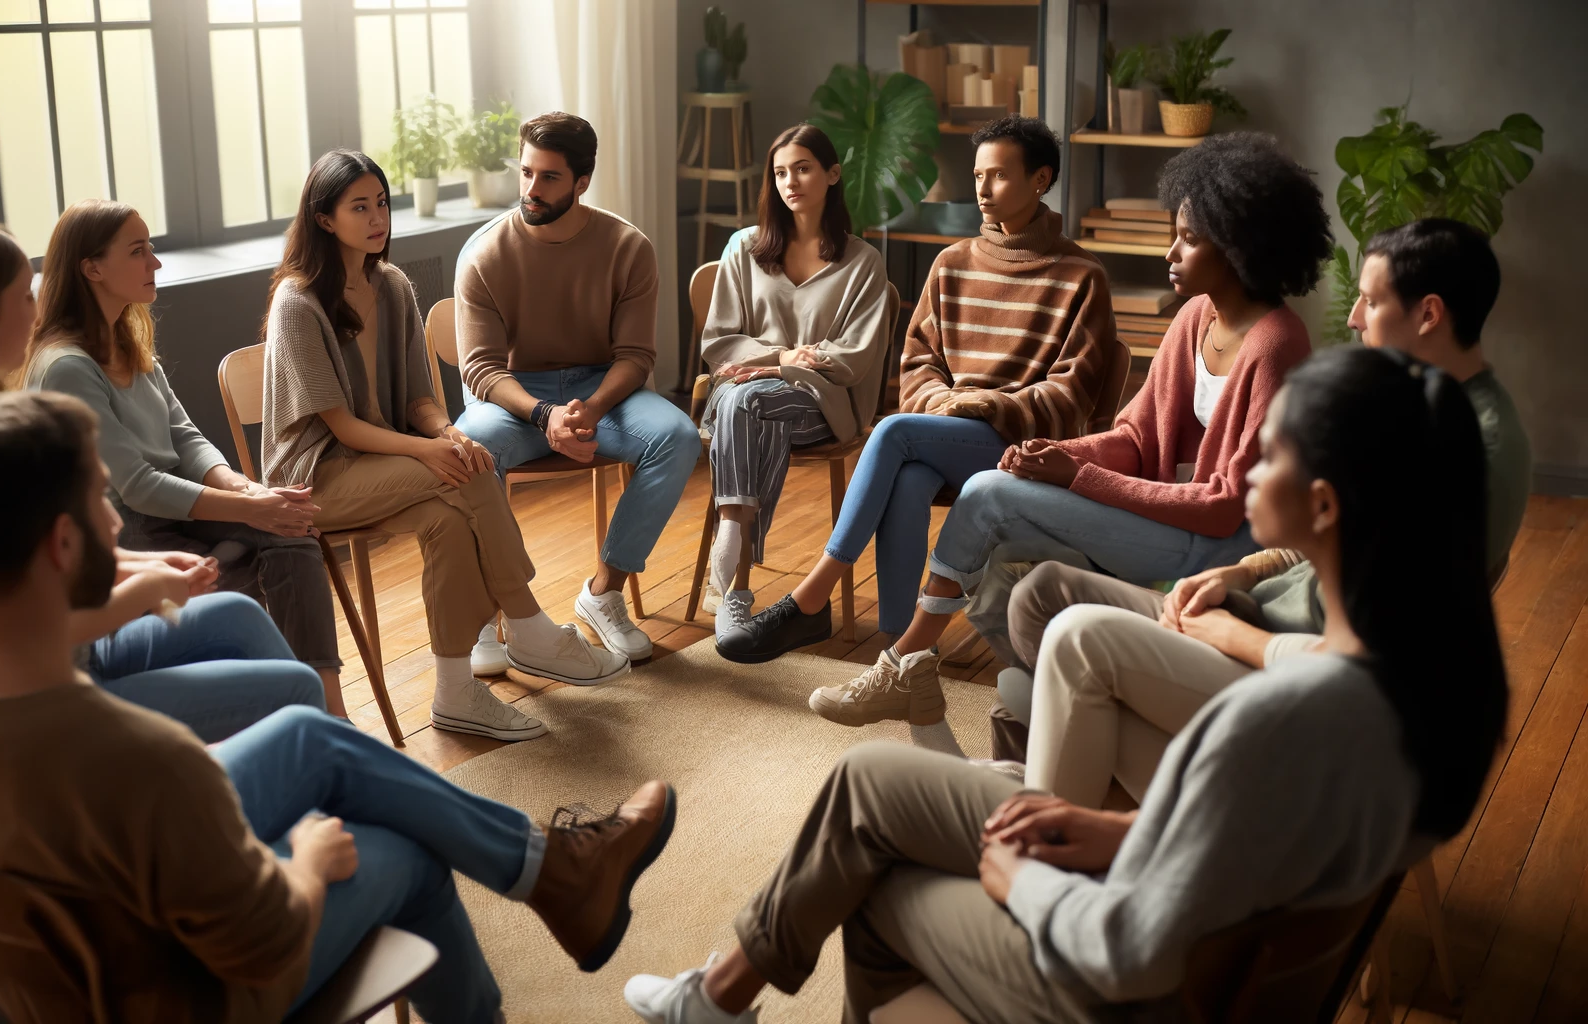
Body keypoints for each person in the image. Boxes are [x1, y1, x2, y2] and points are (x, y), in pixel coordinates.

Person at [622, 344, 1507, 1024]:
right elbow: (1255, 841)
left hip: (1117, 992)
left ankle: (722, 997)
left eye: (1267, 457)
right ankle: (715, 998)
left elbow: (1131, 953)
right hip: (1171, 907)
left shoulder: (1275, 719)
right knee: (868, 782)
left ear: (1324, 506)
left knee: (879, 882)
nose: (1245, 474)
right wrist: (1124, 830)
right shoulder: (1430, 684)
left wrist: (1022, 882)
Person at [0, 390, 678, 1024]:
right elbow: (264, 942)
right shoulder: (141, 755)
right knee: (408, 858)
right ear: (61, 548)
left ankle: (553, 873)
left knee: (305, 737)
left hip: (60, 987)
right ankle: (544, 895)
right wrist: (307, 861)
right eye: (100, 501)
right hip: (185, 1001)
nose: (116, 520)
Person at [793, 132, 1334, 727]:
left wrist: (1076, 476)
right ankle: (993, 682)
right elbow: (1136, 439)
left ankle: (904, 664)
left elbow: (1225, 506)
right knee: (996, 533)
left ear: (1238, 246)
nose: (1171, 253)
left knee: (987, 494)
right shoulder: (1194, 318)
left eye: (1189, 239)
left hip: (1215, 544)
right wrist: (1056, 453)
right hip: (1168, 516)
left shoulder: (1275, 344)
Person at [983, 217, 1533, 796]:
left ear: (1428, 315)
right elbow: (1331, 533)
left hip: (1287, 671)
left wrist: (1227, 634)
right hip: (1259, 611)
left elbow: (1381, 652)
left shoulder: (1475, 453)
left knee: (1063, 658)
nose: (1352, 317)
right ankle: (1097, 767)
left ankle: (1089, 789)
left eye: (1371, 302)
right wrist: (1239, 573)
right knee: (1041, 597)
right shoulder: (1410, 405)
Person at [0, 217, 324, 743]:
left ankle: (302, 747)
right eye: (23, 296)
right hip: (56, 686)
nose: (35, 313)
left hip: (81, 652)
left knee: (240, 618)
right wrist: (147, 583)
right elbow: (26, 625)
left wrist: (153, 563)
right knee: (297, 696)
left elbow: (49, 562)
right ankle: (296, 752)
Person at [715, 115, 1116, 662]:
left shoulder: (1082, 276)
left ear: (1041, 179)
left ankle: (811, 598)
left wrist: (985, 405)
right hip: (945, 433)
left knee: (894, 433)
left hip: (1021, 445)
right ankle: (899, 653)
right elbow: (918, 365)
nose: (983, 189)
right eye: (978, 175)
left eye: (999, 176)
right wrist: (949, 405)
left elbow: (1072, 396)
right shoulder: (952, 265)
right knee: (907, 478)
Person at [262, 149, 625, 744]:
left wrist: (447, 432)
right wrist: (428, 452)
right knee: (469, 470)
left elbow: (418, 400)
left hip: (383, 463)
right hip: (317, 478)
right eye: (359, 207)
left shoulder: (391, 285)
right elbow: (343, 429)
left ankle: (456, 694)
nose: (378, 218)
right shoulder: (298, 303)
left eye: (382, 203)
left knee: (450, 517)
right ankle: (528, 624)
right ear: (324, 219)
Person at [24, 199, 350, 715]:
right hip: (122, 528)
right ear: (92, 268)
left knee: (292, 531)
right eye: (137, 251)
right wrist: (251, 508)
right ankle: (282, 707)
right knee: (251, 559)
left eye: (151, 247)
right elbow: (137, 486)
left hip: (175, 510)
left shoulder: (129, 345)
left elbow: (187, 440)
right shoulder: (67, 367)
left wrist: (250, 491)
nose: (154, 262)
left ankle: (326, 708)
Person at [453, 112, 701, 663]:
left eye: (549, 177)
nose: (531, 189)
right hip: (515, 396)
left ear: (582, 182)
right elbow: (482, 369)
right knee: (472, 449)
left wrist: (590, 407)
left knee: (679, 437)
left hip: (601, 389)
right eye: (526, 173)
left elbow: (635, 356)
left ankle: (603, 593)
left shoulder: (628, 247)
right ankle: (485, 613)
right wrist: (545, 415)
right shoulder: (484, 254)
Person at [698, 124, 893, 635]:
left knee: (746, 404)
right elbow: (718, 342)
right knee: (748, 403)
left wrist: (785, 367)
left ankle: (730, 558)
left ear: (832, 174)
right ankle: (737, 578)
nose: (790, 182)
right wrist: (783, 355)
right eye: (781, 172)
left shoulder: (863, 263)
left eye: (803, 169)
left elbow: (855, 357)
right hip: (743, 397)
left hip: (820, 405)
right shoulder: (743, 248)